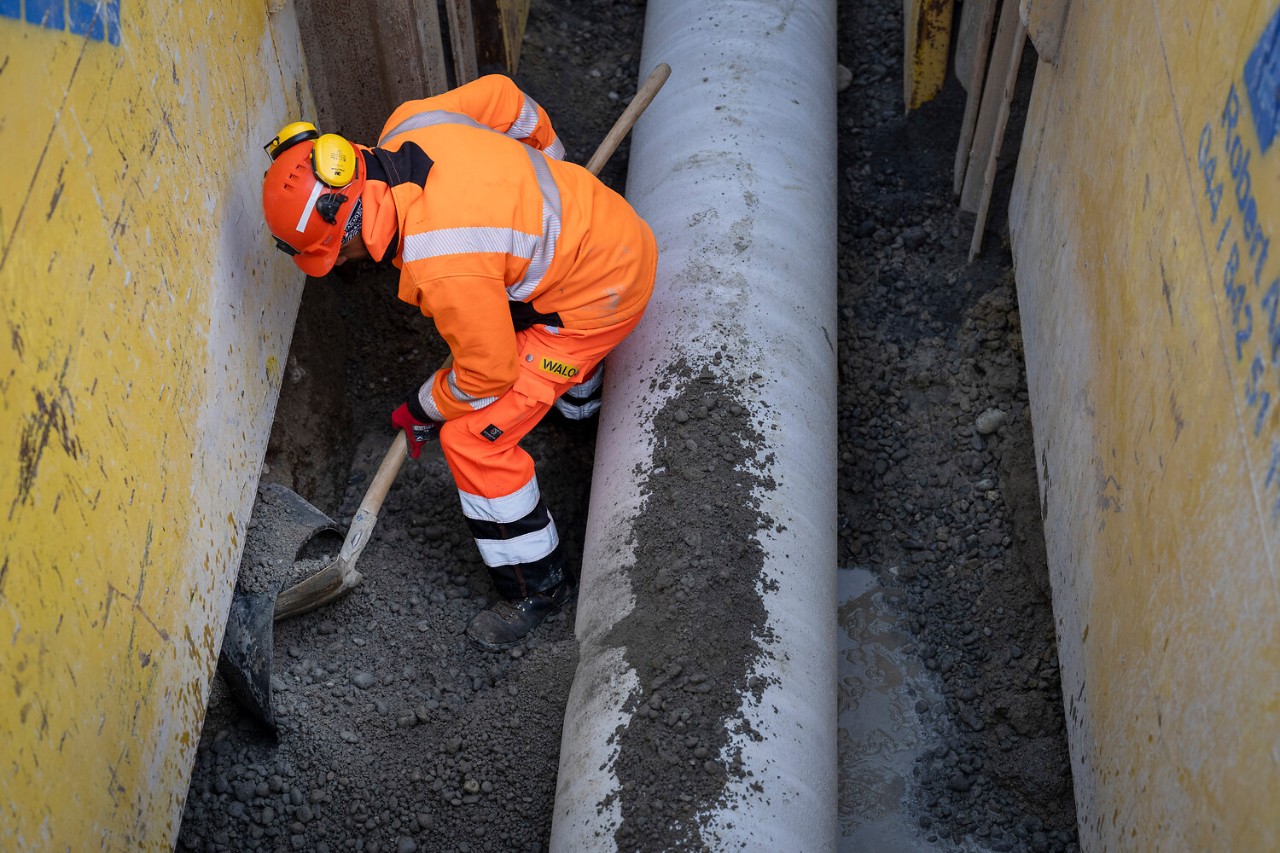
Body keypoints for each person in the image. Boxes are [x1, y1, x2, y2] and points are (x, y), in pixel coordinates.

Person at [260, 76, 656, 649]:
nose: (340, 265)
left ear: (345, 234)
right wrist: (553, 170)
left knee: (472, 439)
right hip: (604, 225)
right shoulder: (408, 124)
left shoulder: (443, 261)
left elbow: (489, 374)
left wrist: (425, 407)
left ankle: (538, 587)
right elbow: (505, 97)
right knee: (503, 320)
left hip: (599, 302)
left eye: (332, 255)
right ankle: (580, 410)